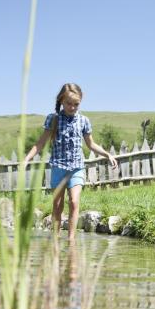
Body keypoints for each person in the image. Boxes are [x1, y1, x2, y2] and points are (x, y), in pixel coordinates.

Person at [23, 83, 118, 239]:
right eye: (69, 103)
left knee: (74, 202)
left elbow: (91, 144)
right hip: (58, 168)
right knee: (57, 206)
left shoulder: (84, 121)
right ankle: (55, 239)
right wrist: (27, 159)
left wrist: (108, 155)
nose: (72, 107)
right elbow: (41, 143)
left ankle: (71, 241)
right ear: (61, 100)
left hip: (76, 168)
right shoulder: (53, 119)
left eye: (76, 104)